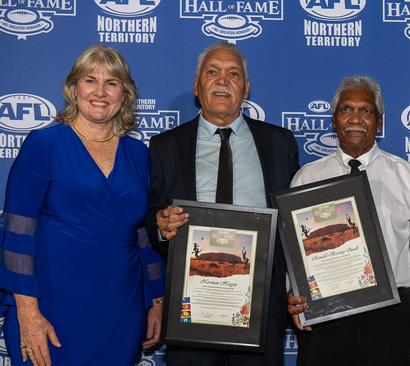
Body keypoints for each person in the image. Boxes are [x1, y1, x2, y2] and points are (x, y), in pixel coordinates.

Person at [0, 44, 163, 365]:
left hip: (122, 307)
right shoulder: (44, 145)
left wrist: (156, 300)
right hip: (52, 306)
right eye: (90, 80)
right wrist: (28, 311)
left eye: (112, 83)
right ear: (73, 89)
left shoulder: (139, 154)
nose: (100, 91)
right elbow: (17, 232)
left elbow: (144, 234)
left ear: (125, 94)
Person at [145, 42, 299, 366]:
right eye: (212, 72)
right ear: (197, 86)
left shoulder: (279, 143)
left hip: (259, 305)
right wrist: (160, 225)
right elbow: (149, 217)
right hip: (191, 307)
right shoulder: (165, 146)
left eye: (233, 74)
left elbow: (293, 224)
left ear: (246, 87)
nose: (223, 80)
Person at [287, 76, 410, 366]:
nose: (356, 119)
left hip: (392, 321)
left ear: (380, 121)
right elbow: (295, 254)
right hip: (327, 320)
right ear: (334, 120)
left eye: (366, 110)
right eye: (346, 109)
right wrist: (294, 293)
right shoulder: (306, 178)